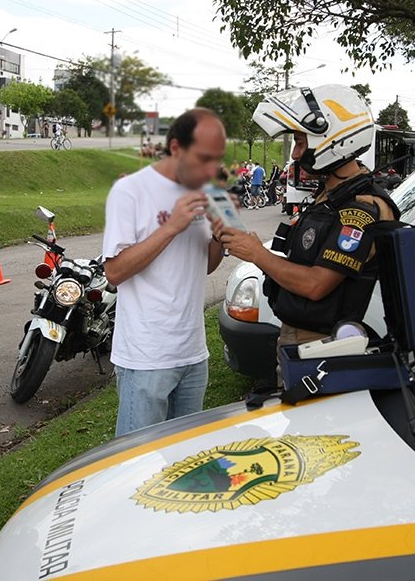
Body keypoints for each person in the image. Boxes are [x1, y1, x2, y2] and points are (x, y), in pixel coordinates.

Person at [221, 85, 399, 372]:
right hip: (302, 337)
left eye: (301, 143)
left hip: (320, 346)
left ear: (332, 141)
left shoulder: (360, 209)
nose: (295, 154)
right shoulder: (332, 196)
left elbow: (316, 285)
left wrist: (257, 254)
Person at [102, 108, 228, 436]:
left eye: (216, 159)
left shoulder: (202, 193)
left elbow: (206, 266)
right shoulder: (130, 191)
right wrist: (171, 227)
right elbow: (114, 272)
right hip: (147, 356)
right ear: (176, 148)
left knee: (182, 464)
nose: (211, 168)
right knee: (136, 464)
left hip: (193, 353)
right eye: (204, 158)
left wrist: (219, 237)